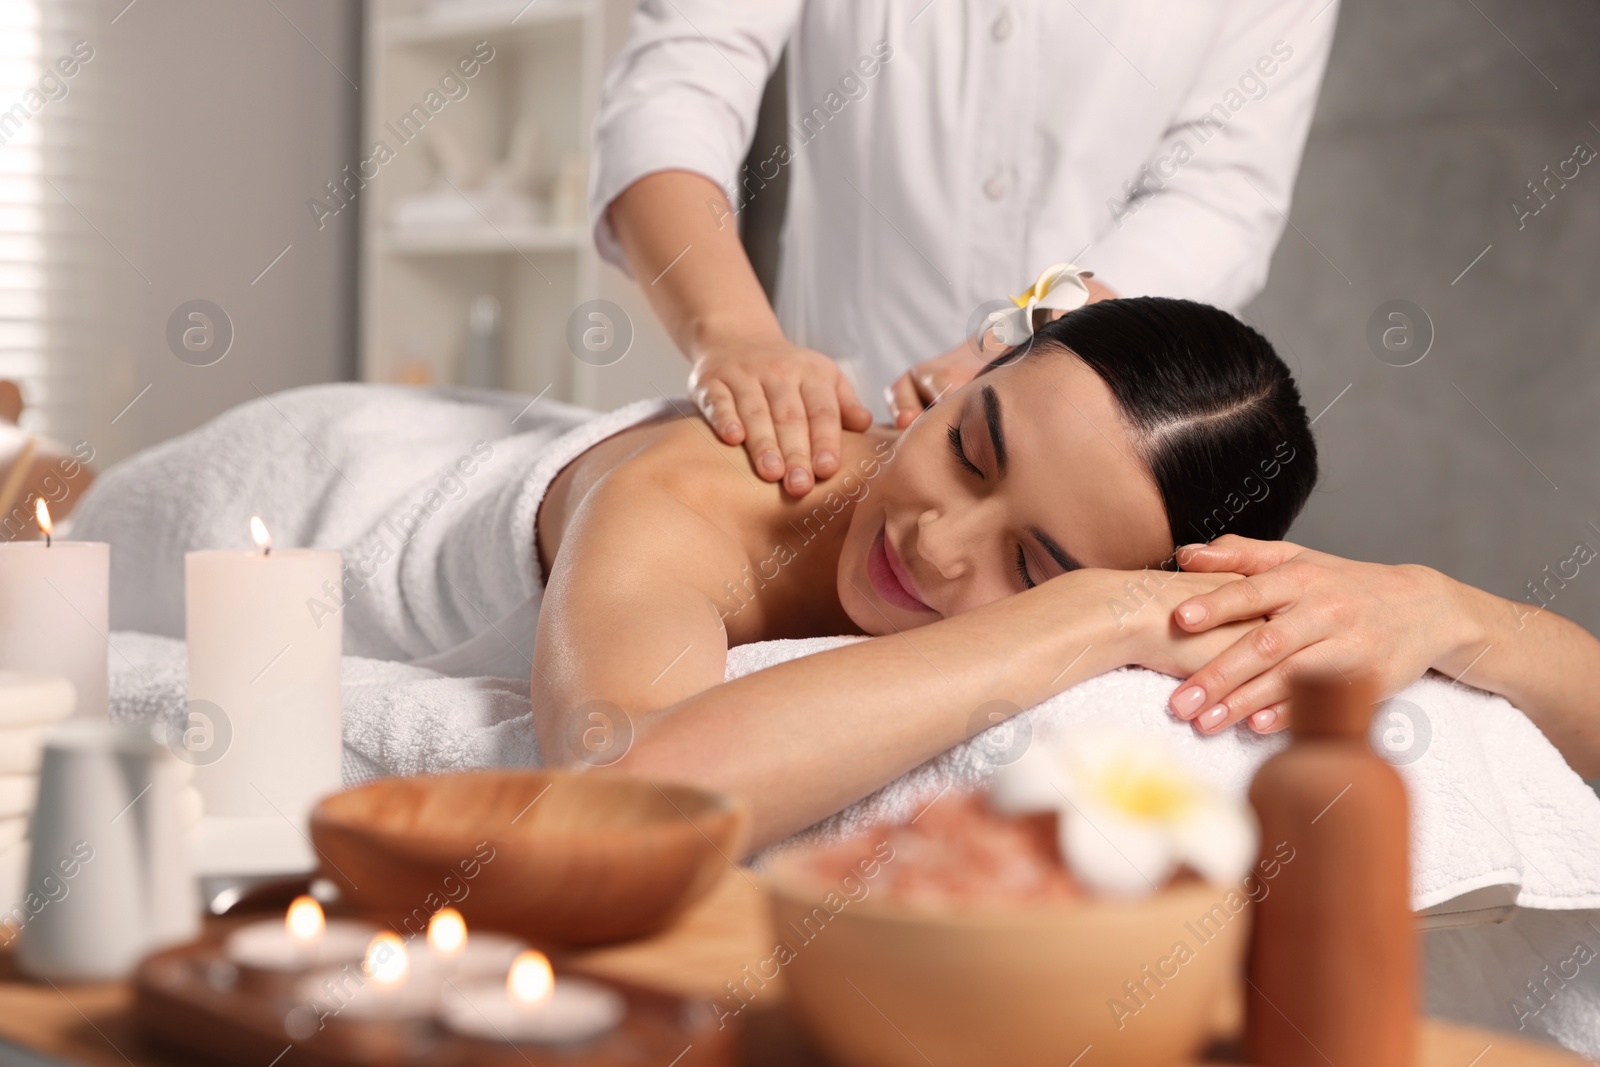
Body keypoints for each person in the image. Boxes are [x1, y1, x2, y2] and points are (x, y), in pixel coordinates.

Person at [65, 298, 1600, 853]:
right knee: (42, 516)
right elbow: (626, 794)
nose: (936, 541)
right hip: (311, 472)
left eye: (1037, 560)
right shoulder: (693, 503)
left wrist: (1468, 614)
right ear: (950, 381)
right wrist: (1073, 614)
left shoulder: (1130, 560)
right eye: (973, 449)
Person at [592, 0, 1340, 496]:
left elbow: (1216, 196)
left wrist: (1023, 339)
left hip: (1083, 464)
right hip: (819, 434)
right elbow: (676, 84)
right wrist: (733, 332)